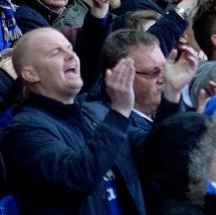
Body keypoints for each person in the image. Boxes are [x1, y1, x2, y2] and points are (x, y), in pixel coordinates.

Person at [2, 27, 145, 215]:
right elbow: (79, 176)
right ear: (31, 74)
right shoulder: (24, 130)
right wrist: (120, 111)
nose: (70, 55)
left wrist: (172, 100)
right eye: (56, 52)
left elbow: (148, 149)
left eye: (70, 48)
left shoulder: (90, 114)